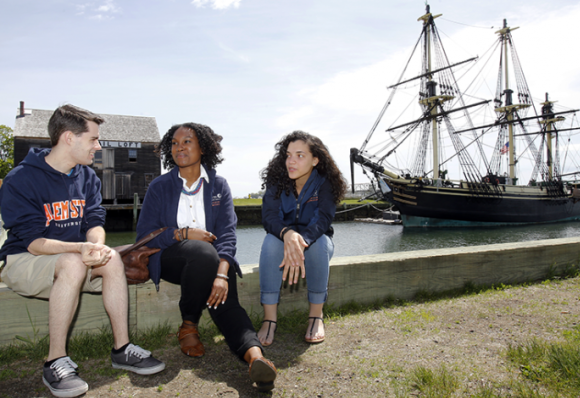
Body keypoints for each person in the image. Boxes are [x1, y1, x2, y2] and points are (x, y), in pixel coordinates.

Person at [0, 104, 165, 398]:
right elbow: (33, 242)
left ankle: (122, 348)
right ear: (68, 138)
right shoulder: (21, 179)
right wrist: (81, 248)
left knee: (112, 257)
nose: (98, 147)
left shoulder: (87, 177)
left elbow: (94, 222)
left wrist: (97, 246)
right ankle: (55, 360)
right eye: (93, 139)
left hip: (71, 259)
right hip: (24, 260)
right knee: (74, 264)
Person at [136, 122, 277, 391]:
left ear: (203, 147)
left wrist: (223, 274)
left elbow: (227, 234)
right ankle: (189, 323)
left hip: (212, 264)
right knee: (202, 251)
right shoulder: (159, 186)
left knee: (227, 301)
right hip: (170, 259)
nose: (179, 147)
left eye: (187, 141)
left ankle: (256, 359)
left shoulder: (219, 185)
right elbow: (145, 235)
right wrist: (182, 234)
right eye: (175, 143)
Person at [257, 131, 347, 346]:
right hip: (282, 239)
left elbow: (322, 220)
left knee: (320, 245)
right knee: (270, 242)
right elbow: (269, 217)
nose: (291, 161)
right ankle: (269, 318)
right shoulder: (276, 181)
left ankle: (316, 316)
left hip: (316, 240)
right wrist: (287, 234)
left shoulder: (325, 183)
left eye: (299, 155)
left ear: (315, 160)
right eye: (288, 155)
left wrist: (301, 240)